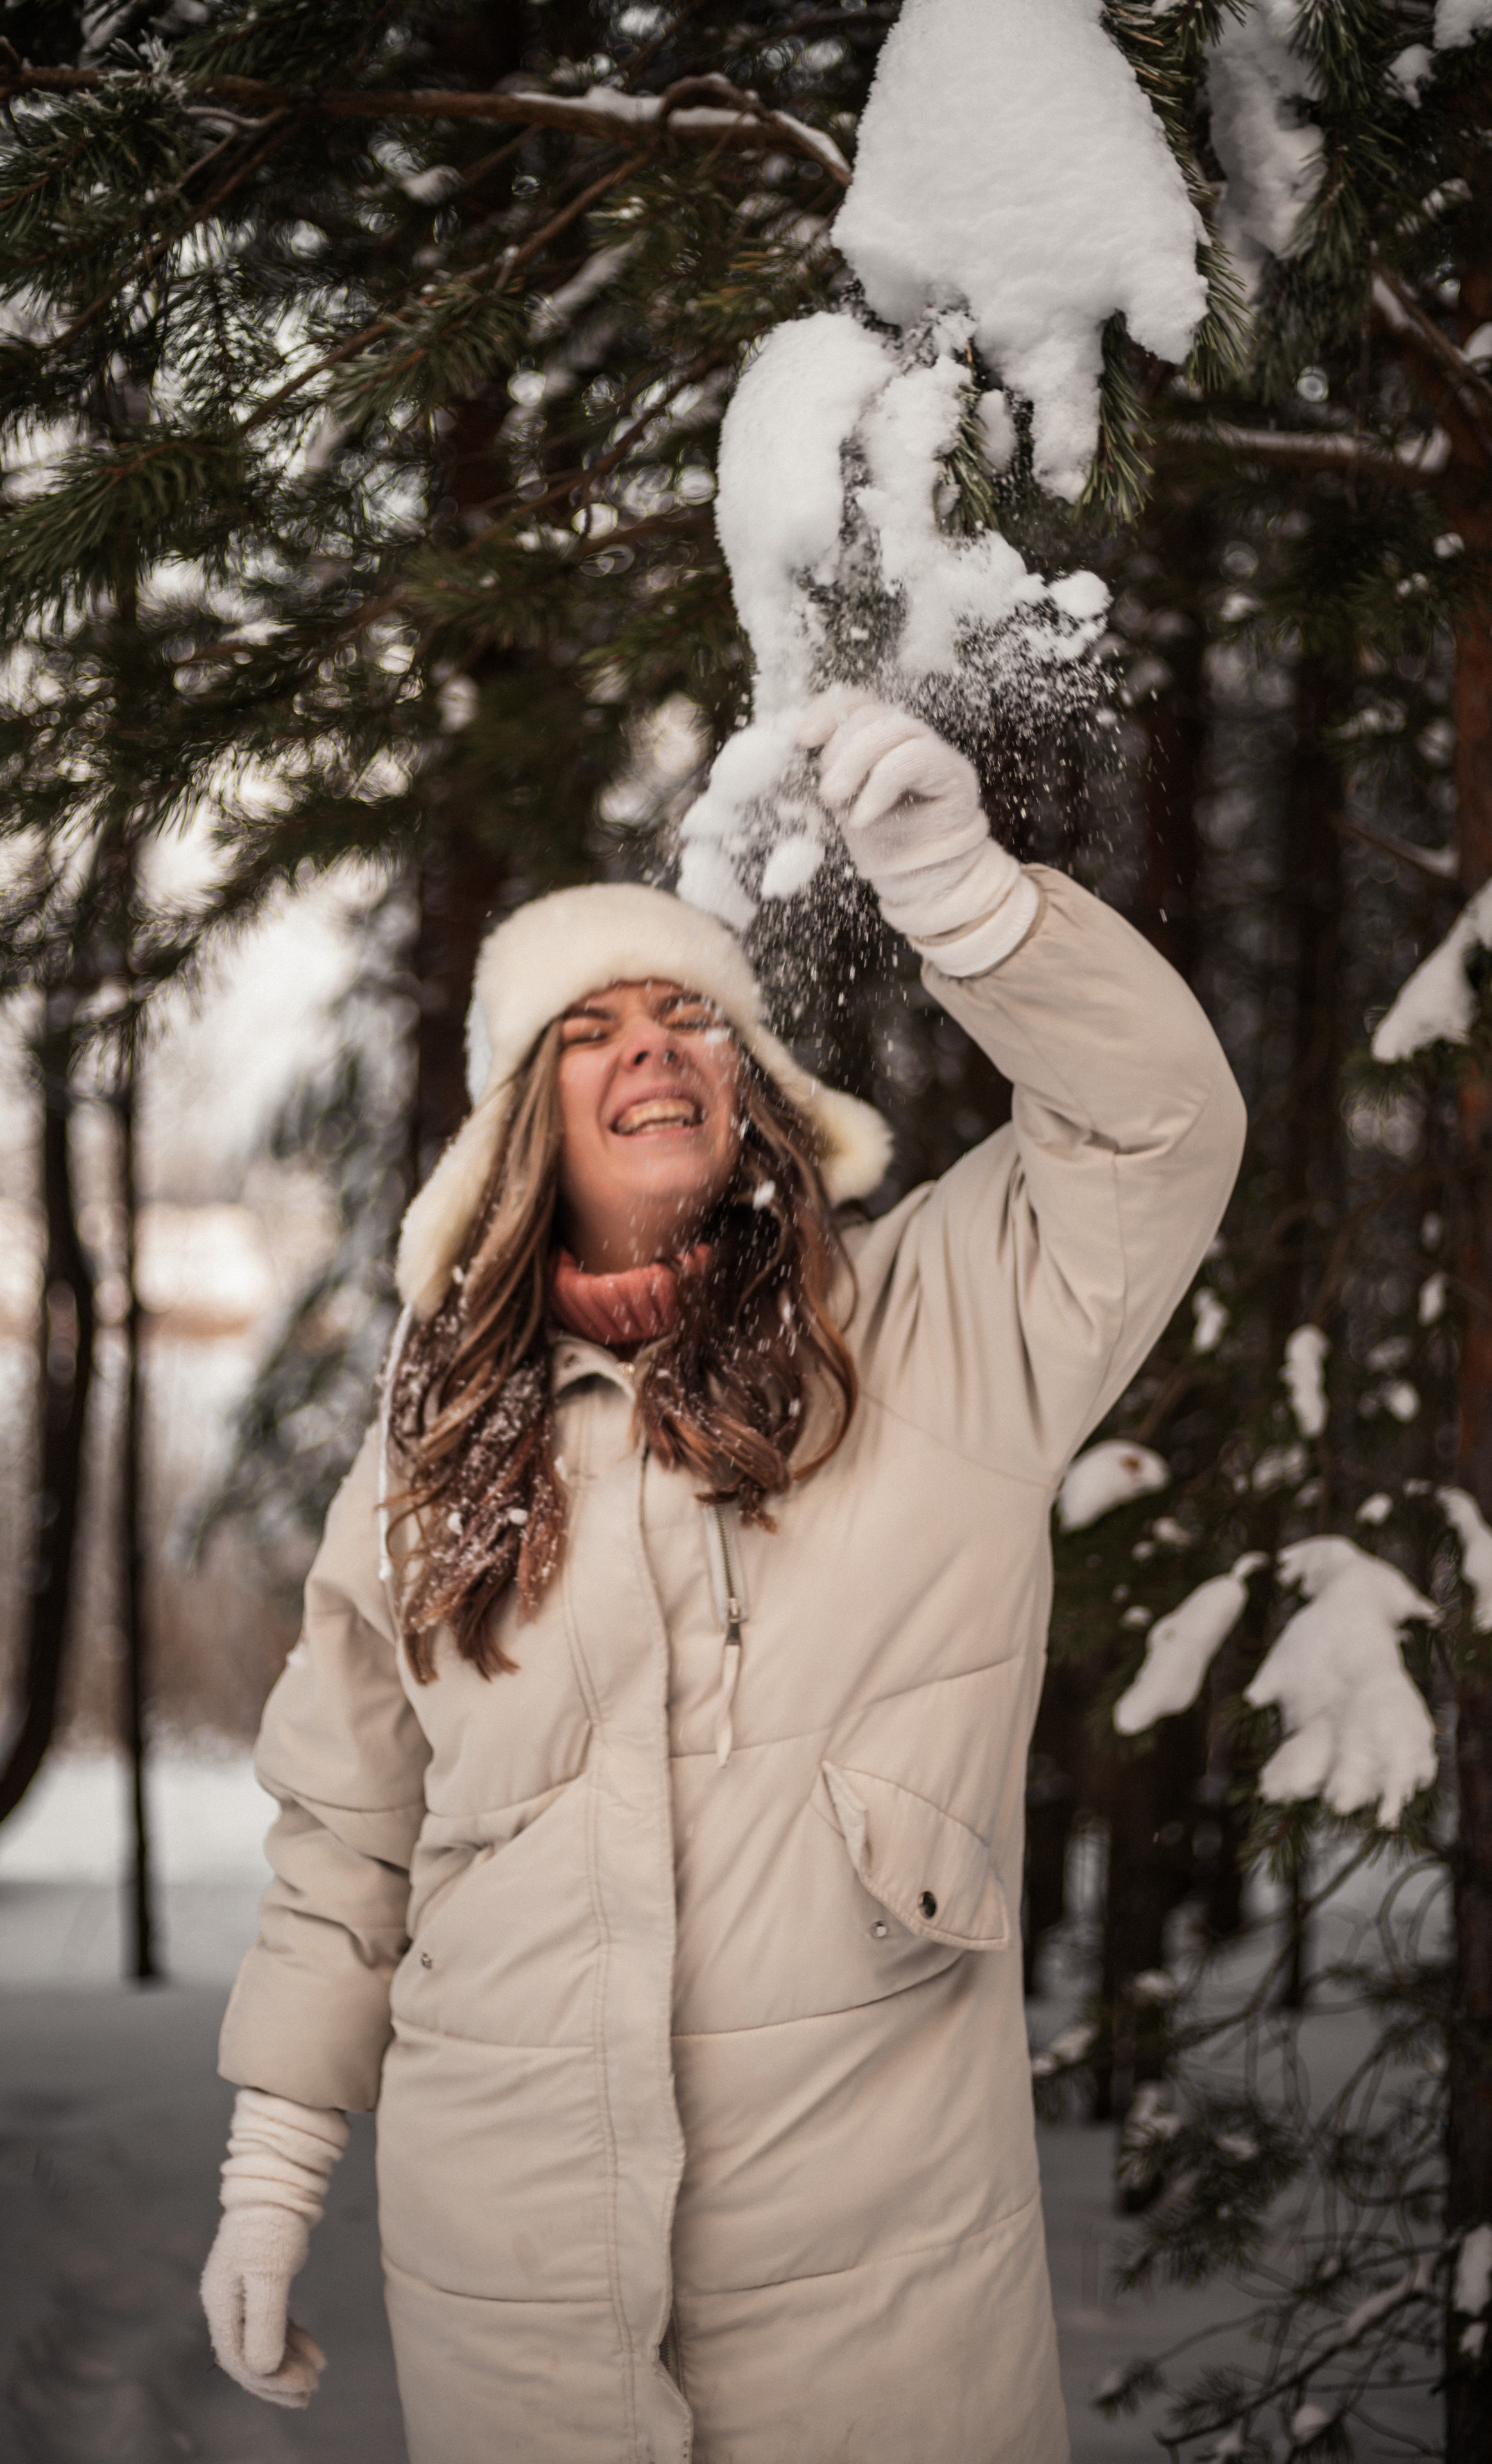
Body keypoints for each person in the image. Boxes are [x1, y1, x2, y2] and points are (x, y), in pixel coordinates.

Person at [198, 696, 1244, 2463]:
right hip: (508, 2298)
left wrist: (969, 902)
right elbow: (351, 1828)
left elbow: (1159, 1134)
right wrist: (272, 2165)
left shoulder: (940, 1330)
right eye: (589, 1030)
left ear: (753, 1082)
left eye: (692, 1013)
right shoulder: (434, 1439)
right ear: (524, 1120)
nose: (652, 1050)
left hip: (880, 2319)